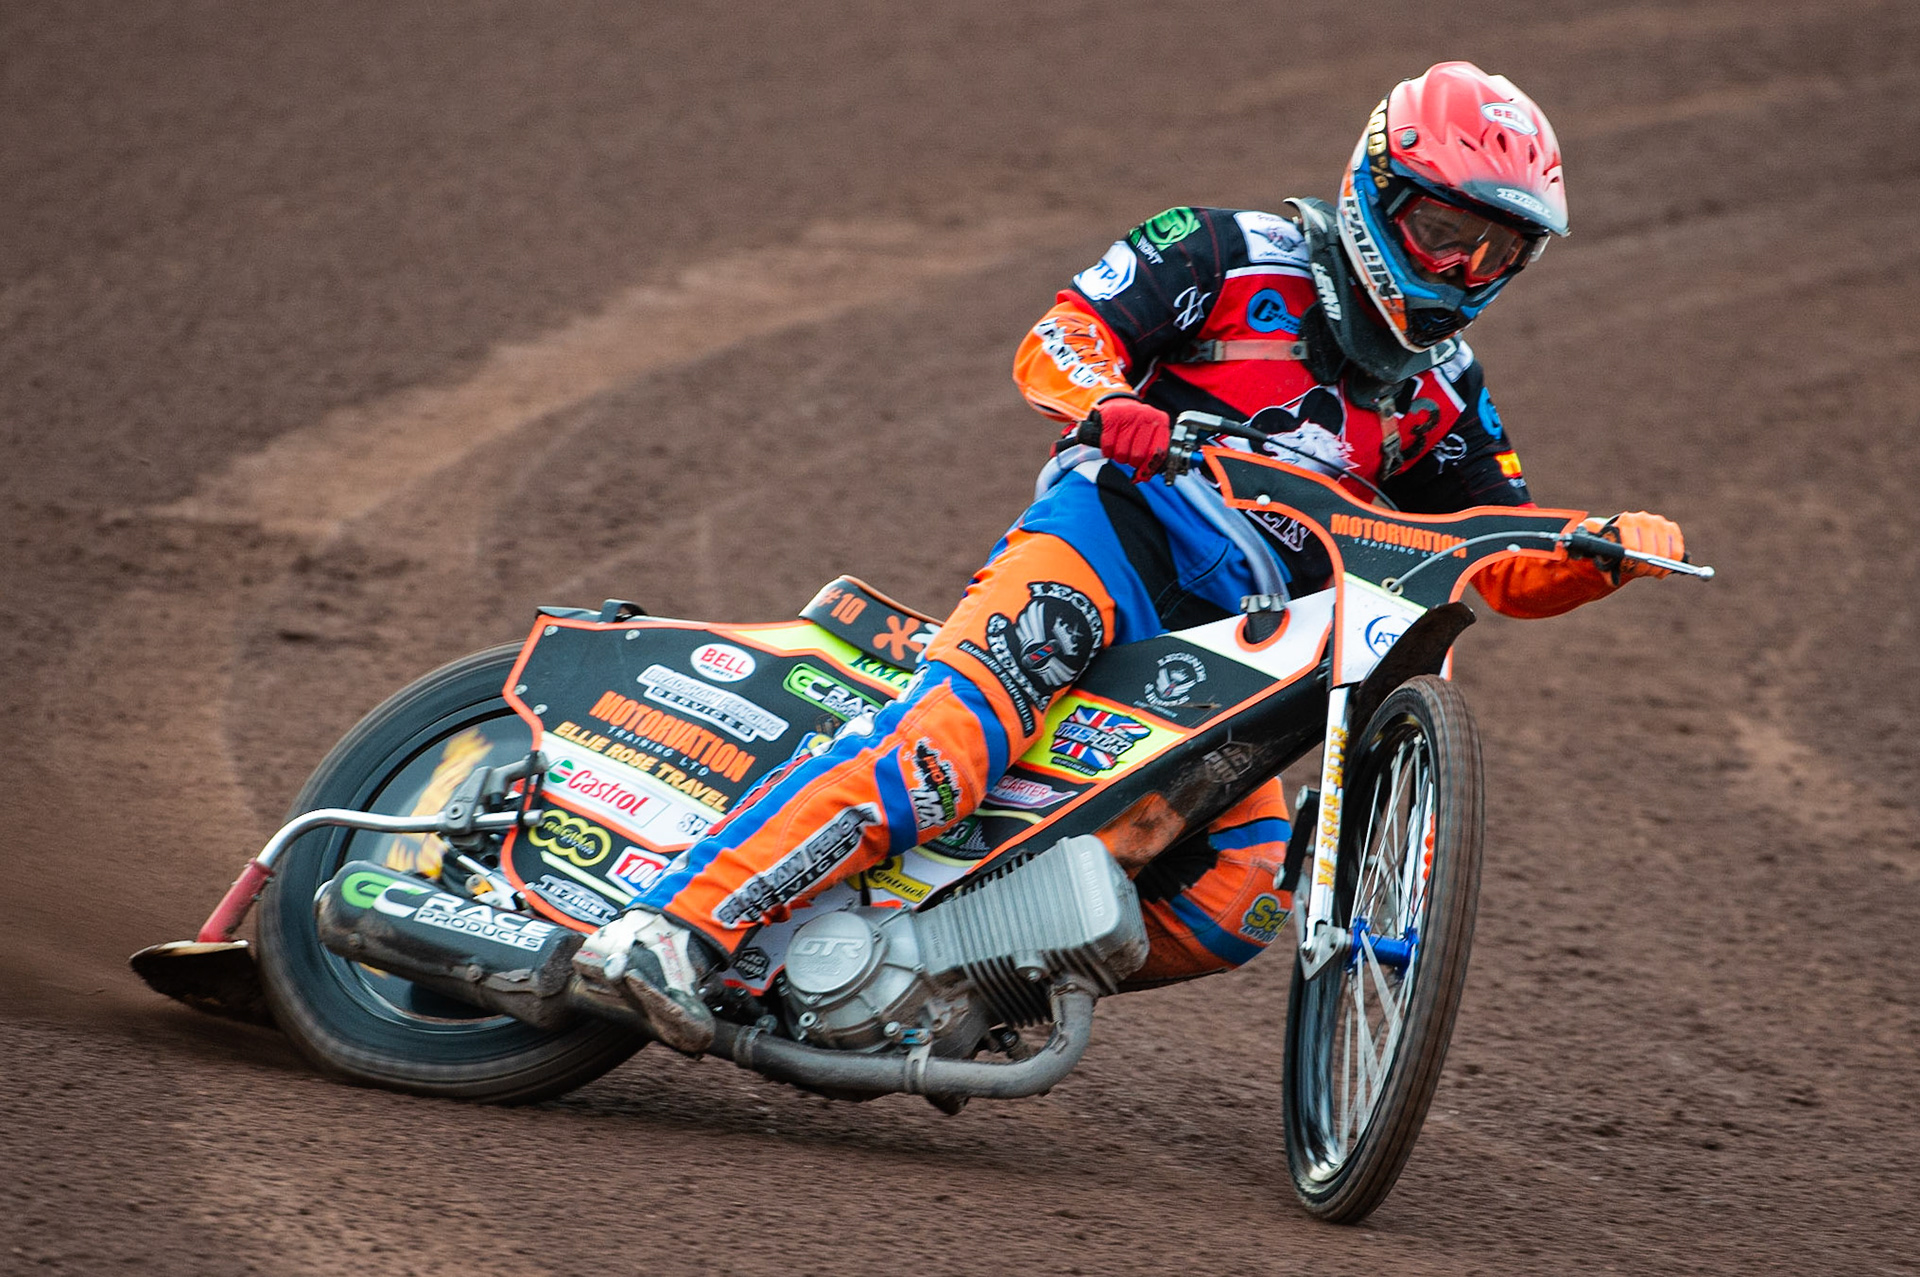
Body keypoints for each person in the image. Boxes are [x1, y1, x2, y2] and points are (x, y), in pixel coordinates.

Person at [575, 60, 1686, 1053]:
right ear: (1375, 194)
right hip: (1107, 546)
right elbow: (1061, 336)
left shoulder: (1446, 388)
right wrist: (1107, 402)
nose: (1465, 266)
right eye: (1446, 230)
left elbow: (1493, 550)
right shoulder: (1217, 248)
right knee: (938, 756)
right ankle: (668, 929)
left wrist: (1605, 551)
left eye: (1500, 250)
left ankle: (958, 984)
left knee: (1239, 895)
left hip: (1237, 646)